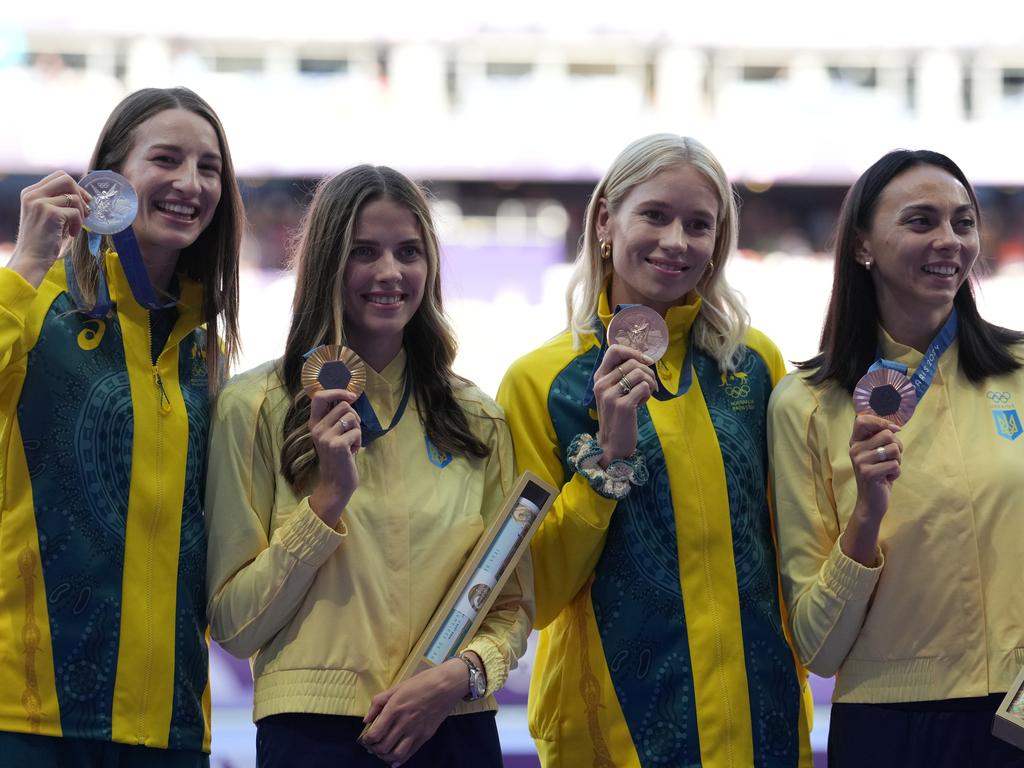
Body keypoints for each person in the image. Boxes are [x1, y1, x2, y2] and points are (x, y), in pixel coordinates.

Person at [497, 133, 812, 767]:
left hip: (763, 722)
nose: (677, 241)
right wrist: (607, 463)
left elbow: (789, 549)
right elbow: (534, 591)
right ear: (605, 221)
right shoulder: (541, 384)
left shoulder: (755, 366)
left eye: (700, 225)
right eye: (655, 214)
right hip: (613, 734)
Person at [204, 165, 533, 768]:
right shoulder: (253, 408)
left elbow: (509, 606)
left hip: (455, 727)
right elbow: (233, 624)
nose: (390, 272)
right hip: (312, 734)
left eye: (409, 251)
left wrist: (458, 677)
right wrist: (326, 502)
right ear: (327, 263)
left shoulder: (476, 418)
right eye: (364, 252)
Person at [0, 87, 243, 766]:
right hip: (28, 717)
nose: (190, 183)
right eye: (165, 158)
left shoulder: (206, 348)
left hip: (169, 725)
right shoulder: (36, 302)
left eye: (209, 167)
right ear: (110, 175)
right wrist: (23, 265)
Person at [768, 149, 1024, 767]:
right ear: (862, 245)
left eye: (963, 222)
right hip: (892, 732)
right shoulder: (803, 404)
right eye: (920, 221)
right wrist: (867, 514)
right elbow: (818, 646)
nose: (950, 241)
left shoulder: (1019, 371)